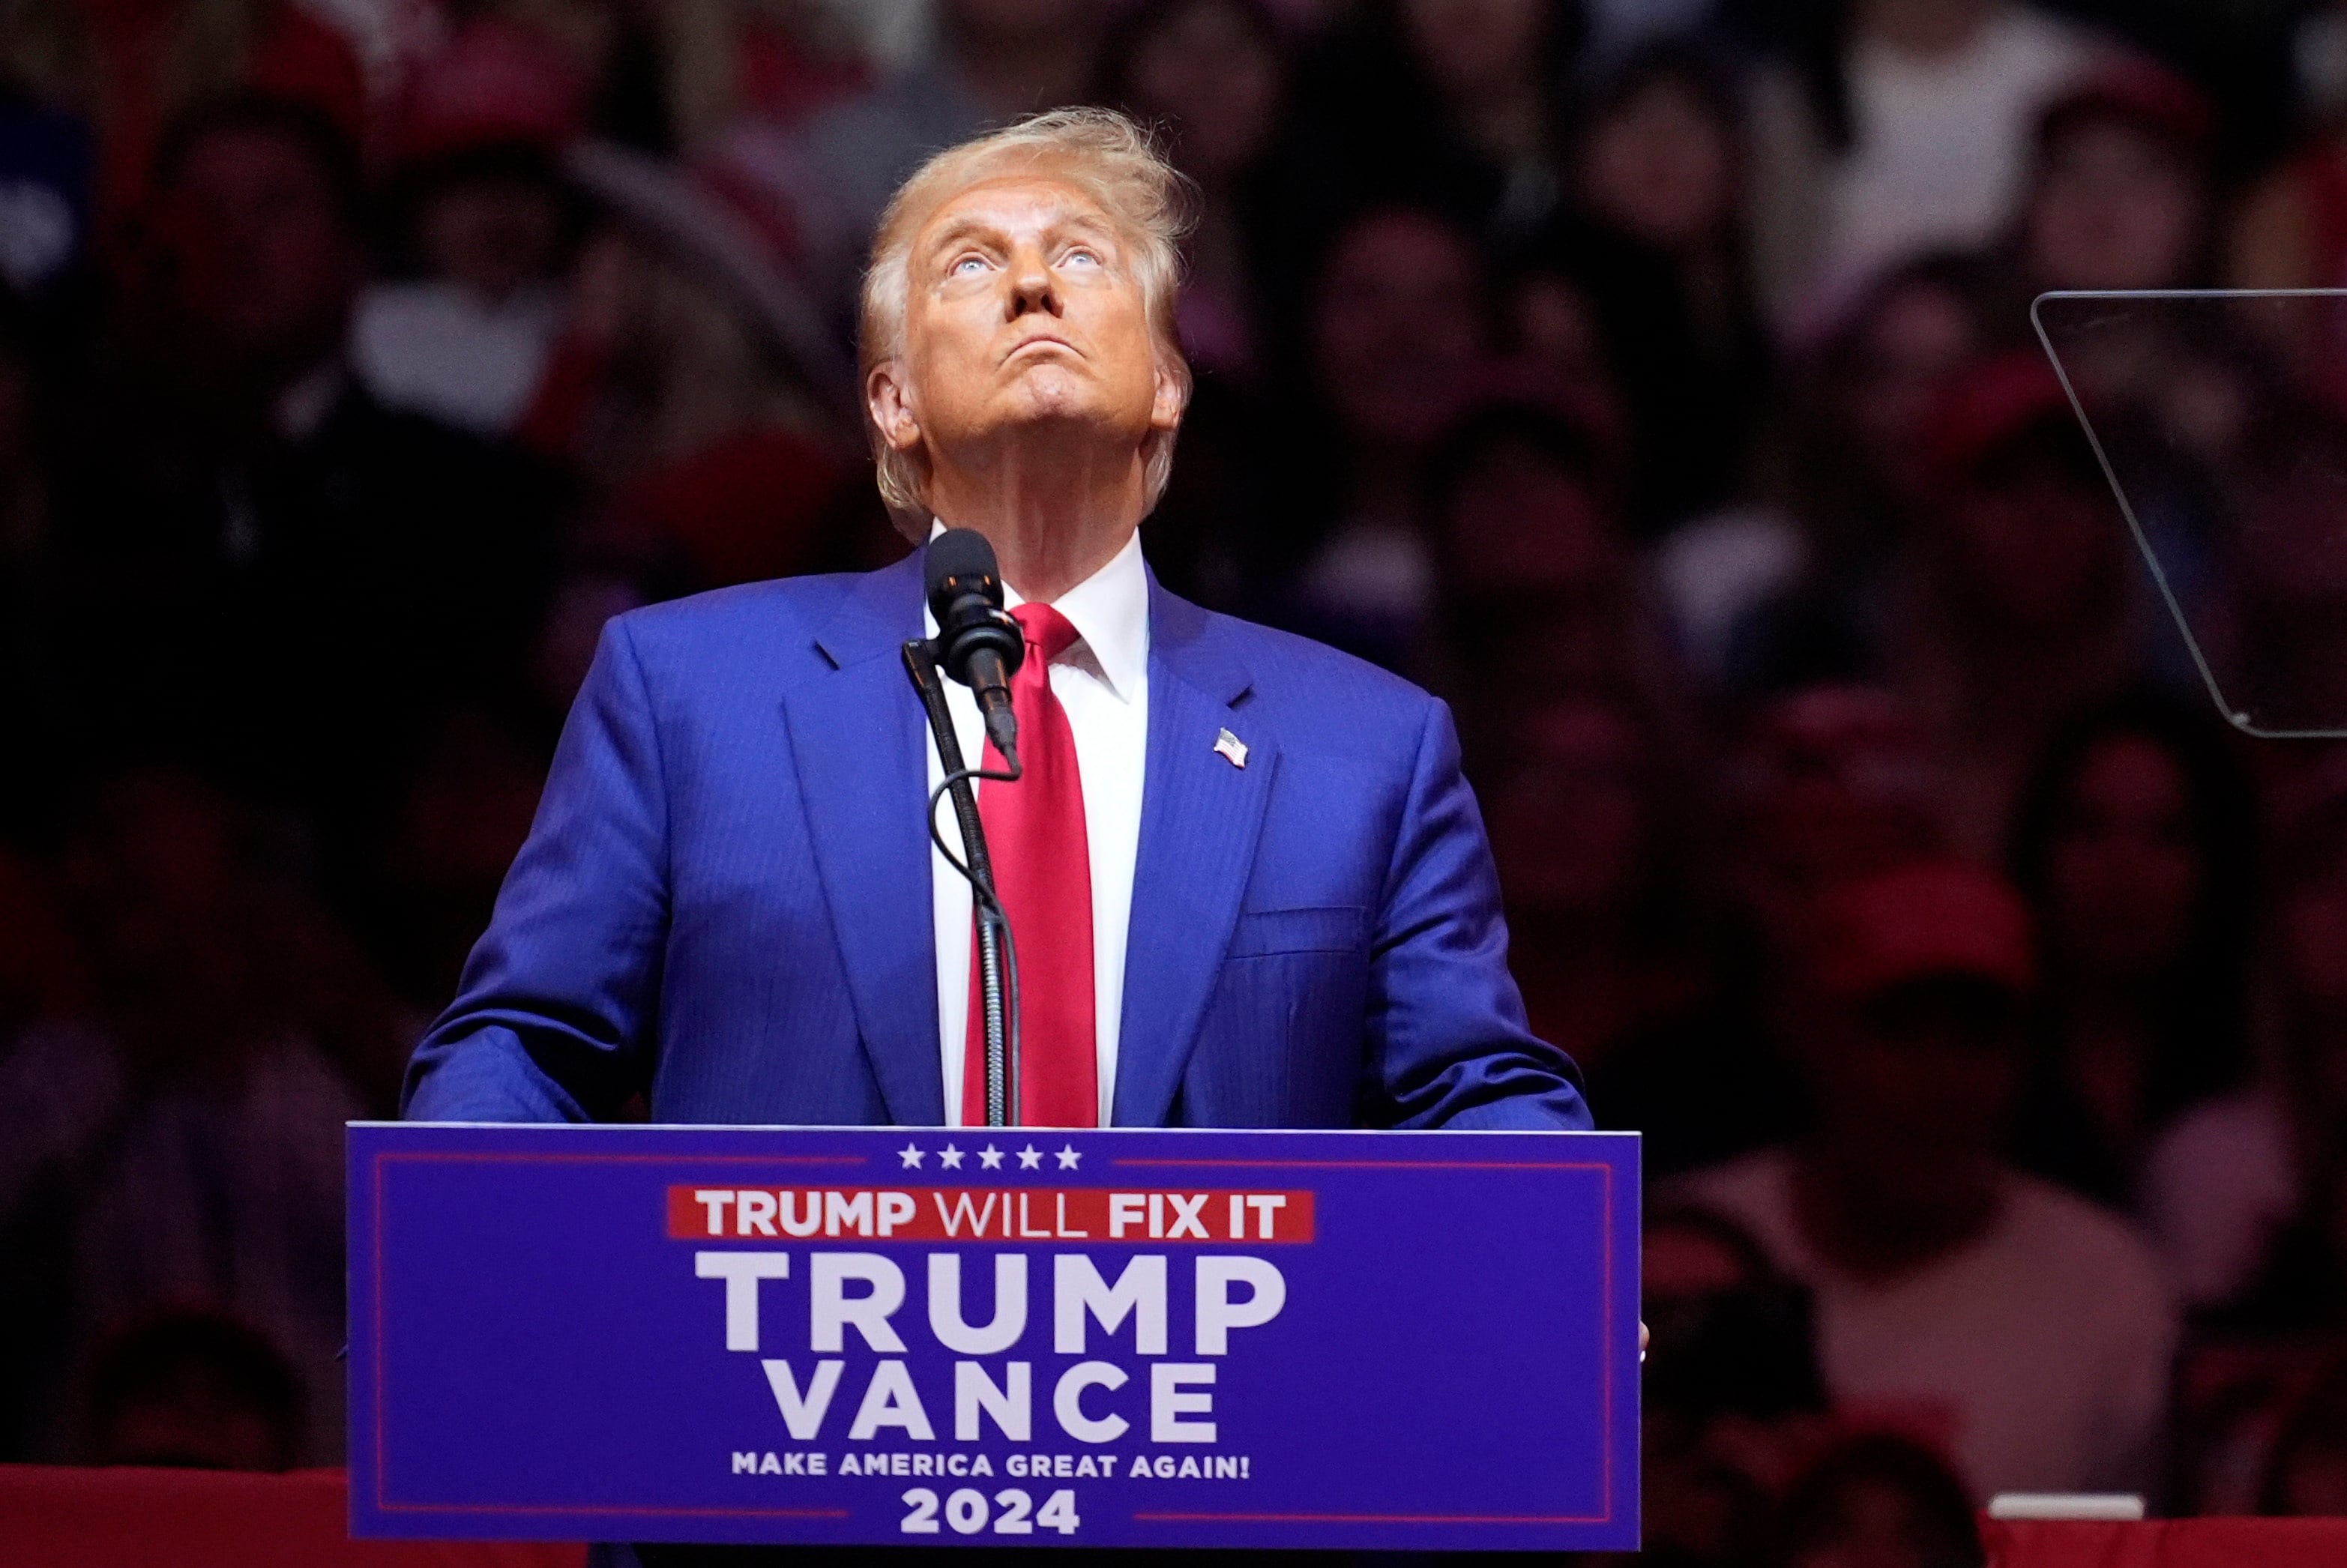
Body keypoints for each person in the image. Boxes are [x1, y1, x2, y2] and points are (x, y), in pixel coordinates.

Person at [403, 109, 1588, 1136]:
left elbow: (1473, 1094)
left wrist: (1557, 1258)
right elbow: (523, 1045)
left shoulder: (1365, 749)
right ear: (893, 401)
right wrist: (455, 1244)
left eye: (1081, 257)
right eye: (971, 265)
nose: (1032, 285)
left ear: (1169, 383)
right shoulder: (688, 693)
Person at [1673, 858, 2179, 1501]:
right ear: (1809, 1036)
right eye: (1897, 1028)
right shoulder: (1684, 1253)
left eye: (1977, 1035)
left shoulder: (2108, 1285)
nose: (1939, 1078)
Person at [2004, 693, 2258, 1209]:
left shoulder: (2264, 1096)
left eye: (2168, 834)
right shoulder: (1977, 1076)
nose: (2123, 872)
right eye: (2087, 827)